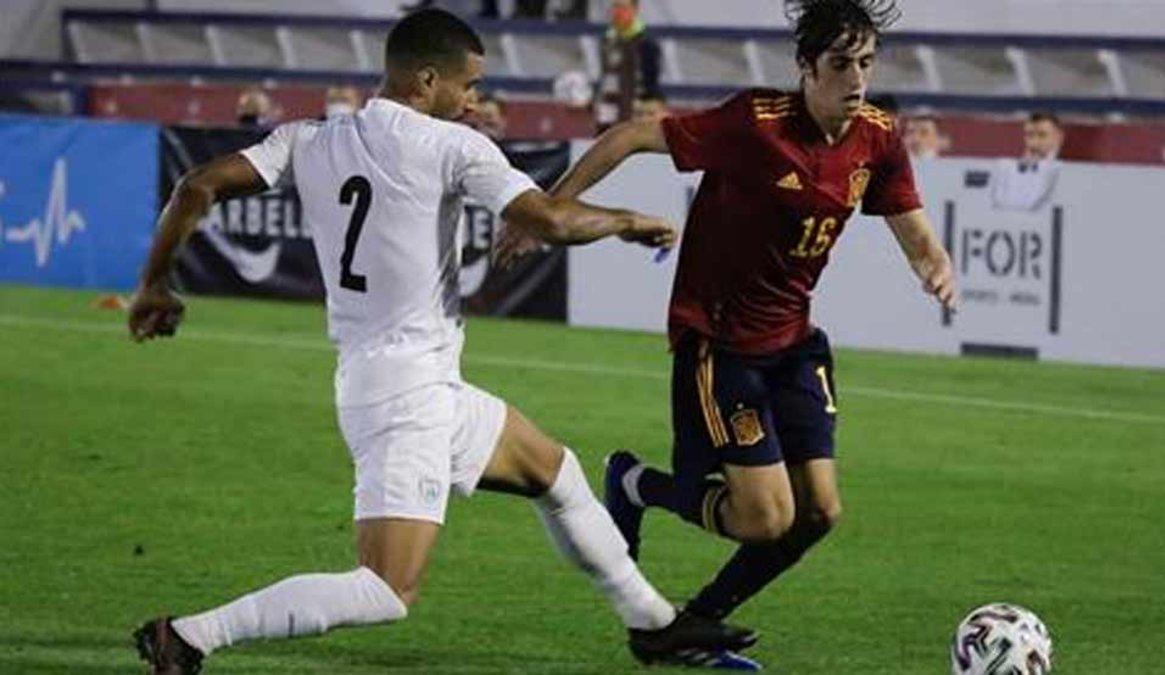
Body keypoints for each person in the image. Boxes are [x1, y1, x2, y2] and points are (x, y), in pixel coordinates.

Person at [127, 9, 756, 673]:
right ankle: (191, 634)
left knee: (555, 472)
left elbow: (196, 185)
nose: (474, 101)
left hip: (404, 381)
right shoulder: (454, 147)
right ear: (427, 79)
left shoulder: (307, 138)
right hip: (406, 398)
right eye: (469, 85)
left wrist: (155, 285)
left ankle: (654, 624)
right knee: (386, 589)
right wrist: (625, 219)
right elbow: (548, 218)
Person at [509, 0, 957, 664]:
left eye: (865, 62)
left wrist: (934, 262)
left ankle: (694, 621)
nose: (857, 79)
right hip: (719, 345)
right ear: (806, 68)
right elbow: (632, 135)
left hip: (794, 343)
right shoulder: (754, 123)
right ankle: (635, 484)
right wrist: (551, 207)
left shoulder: (878, 137)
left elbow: (914, 230)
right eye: (841, 64)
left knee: (819, 514)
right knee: (763, 519)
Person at [594, 0, 663, 132]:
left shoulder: (647, 42)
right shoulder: (607, 40)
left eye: (622, 7)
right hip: (609, 112)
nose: (617, 12)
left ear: (634, 10)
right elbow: (605, 78)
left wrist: (653, 105)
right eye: (615, 7)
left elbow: (650, 83)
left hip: (637, 115)